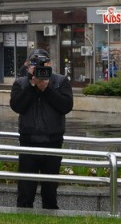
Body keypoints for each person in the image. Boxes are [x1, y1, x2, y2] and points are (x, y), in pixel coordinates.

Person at [9, 49, 74, 209]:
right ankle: (23, 216)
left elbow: (66, 106)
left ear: (50, 64)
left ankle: (51, 215)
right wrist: (32, 86)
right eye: (34, 63)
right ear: (27, 66)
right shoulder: (20, 83)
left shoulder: (61, 81)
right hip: (28, 143)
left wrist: (47, 88)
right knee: (25, 191)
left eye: (43, 64)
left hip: (53, 143)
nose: (39, 67)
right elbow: (17, 106)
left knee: (50, 191)